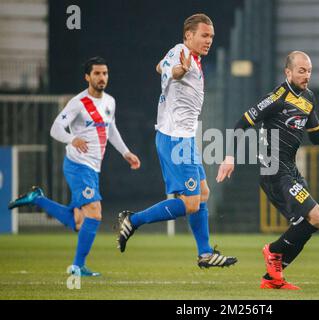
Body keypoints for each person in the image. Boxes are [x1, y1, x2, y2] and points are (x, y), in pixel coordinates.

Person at [116, 14, 237, 268]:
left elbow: (160, 66)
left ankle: (205, 253)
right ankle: (133, 220)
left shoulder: (185, 55)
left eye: (211, 36)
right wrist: (178, 71)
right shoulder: (183, 54)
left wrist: (169, 68)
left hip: (183, 138)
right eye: (204, 35)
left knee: (202, 193)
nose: (209, 41)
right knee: (191, 202)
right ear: (188, 36)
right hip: (175, 139)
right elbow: (174, 70)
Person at [216, 51, 319, 289]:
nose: (307, 76)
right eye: (301, 71)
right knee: (317, 217)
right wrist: (229, 156)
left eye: (309, 71)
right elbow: (241, 124)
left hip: (290, 169)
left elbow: (315, 138)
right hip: (274, 170)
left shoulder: (309, 98)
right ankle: (273, 251)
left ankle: (273, 278)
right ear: (288, 72)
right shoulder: (276, 97)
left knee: (310, 223)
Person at [8, 56, 141, 276]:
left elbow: (111, 129)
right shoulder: (78, 103)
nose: (102, 77)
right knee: (95, 213)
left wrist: (126, 152)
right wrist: (72, 139)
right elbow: (55, 129)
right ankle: (77, 267)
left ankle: (37, 198)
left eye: (105, 73)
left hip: (93, 169)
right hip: (78, 165)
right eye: (97, 73)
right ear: (87, 77)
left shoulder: (110, 102)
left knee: (81, 222)